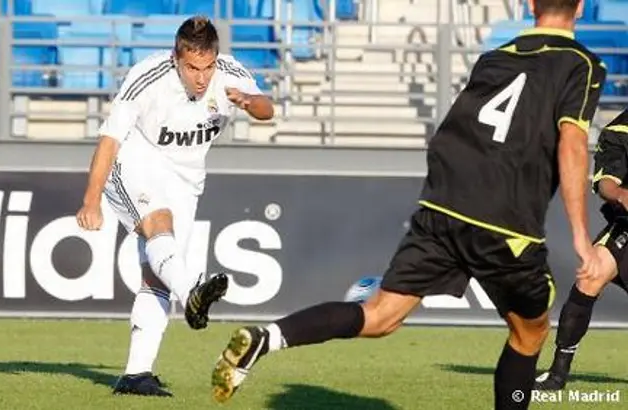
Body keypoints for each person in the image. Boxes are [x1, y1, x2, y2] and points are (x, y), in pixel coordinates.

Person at [209, 1, 606, 408]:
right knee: (531, 332)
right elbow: (572, 144)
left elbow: (458, 129)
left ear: (529, 4)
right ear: (579, 7)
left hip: (443, 208)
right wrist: (580, 234)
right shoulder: (581, 64)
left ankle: (267, 338)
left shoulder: (493, 58)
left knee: (380, 315)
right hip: (506, 223)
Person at [75, 16, 274, 397]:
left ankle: (136, 375)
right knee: (159, 225)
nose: (202, 78)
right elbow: (110, 141)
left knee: (157, 273)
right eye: (192, 68)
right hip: (135, 162)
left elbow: (268, 109)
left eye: (208, 67)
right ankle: (192, 295)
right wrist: (91, 199)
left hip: (187, 179)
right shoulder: (147, 77)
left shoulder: (230, 73)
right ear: (176, 59)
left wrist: (249, 102)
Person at [535, 109, 628, 390]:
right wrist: (622, 194)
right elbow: (605, 184)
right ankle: (558, 372)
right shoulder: (619, 130)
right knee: (591, 276)